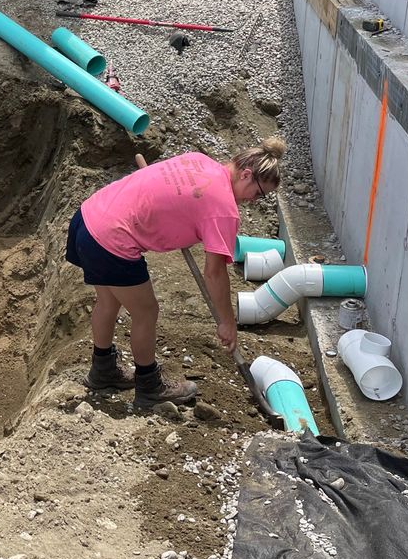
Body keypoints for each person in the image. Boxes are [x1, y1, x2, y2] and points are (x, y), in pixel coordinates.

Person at [64, 138, 285, 407]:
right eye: (259, 193)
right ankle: (149, 386)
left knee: (108, 300)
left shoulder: (199, 160)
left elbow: (169, 192)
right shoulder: (224, 210)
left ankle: (103, 371)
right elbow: (215, 274)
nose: (254, 201)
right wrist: (227, 322)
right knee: (146, 312)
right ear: (247, 174)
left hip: (88, 219)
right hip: (111, 240)